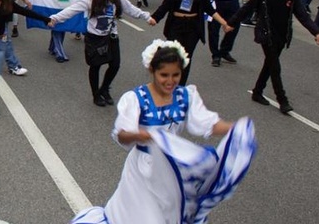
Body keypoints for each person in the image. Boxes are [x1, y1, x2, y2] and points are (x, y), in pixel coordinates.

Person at [71, 40, 254, 224]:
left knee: (167, 216)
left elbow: (208, 123)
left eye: (176, 75)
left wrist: (235, 127)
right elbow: (121, 134)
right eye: (164, 75)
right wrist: (140, 135)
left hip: (171, 169)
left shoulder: (185, 96)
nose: (170, 81)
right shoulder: (136, 98)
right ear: (152, 71)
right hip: (142, 169)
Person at [49, 0, 156, 106]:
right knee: (95, 66)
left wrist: (147, 17)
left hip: (111, 36)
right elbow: (72, 10)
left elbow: (131, 9)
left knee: (115, 65)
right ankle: (96, 95)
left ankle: (104, 88)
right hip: (95, 37)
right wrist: (55, 18)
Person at [228, 0, 319, 114]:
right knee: (275, 67)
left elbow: (303, 17)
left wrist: (317, 32)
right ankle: (282, 100)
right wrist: (231, 22)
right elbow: (248, 8)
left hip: (282, 36)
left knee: (269, 64)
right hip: (266, 34)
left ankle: (258, 91)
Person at [150, 0, 232, 85]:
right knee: (173, 56)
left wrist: (224, 23)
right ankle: (169, 82)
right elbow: (165, 6)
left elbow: (209, 9)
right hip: (176, 25)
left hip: (192, 26)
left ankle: (181, 86)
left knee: (186, 58)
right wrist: (154, 18)